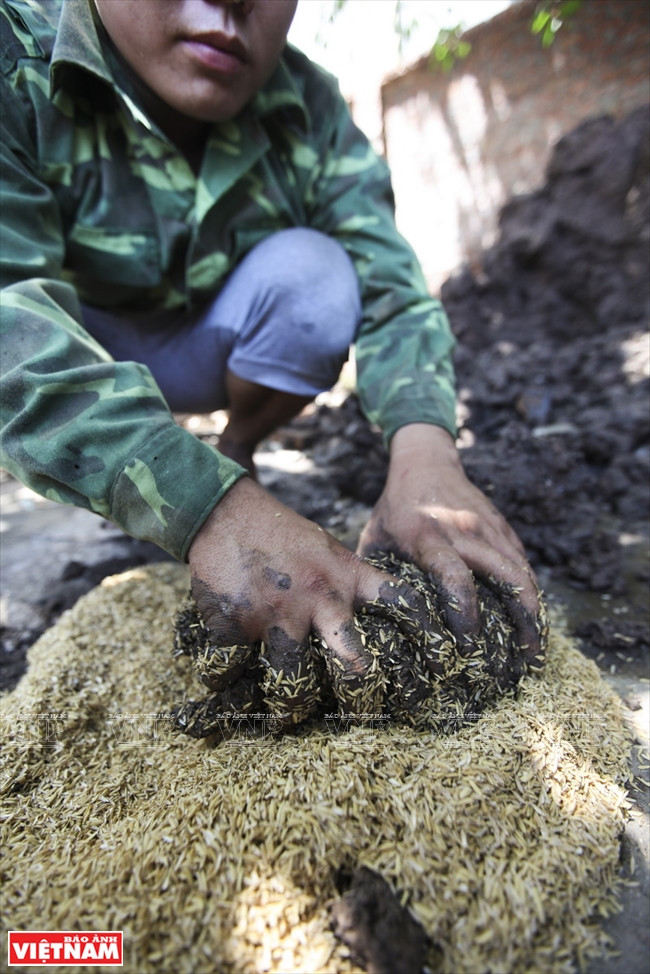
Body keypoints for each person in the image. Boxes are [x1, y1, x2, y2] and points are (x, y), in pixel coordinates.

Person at [0, 0, 543, 710]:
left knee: (316, 278)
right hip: (81, 342)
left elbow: (391, 289)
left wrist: (427, 458)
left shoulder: (306, 100)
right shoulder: (17, 54)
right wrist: (203, 507)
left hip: (216, 346)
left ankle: (238, 449)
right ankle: (213, 483)